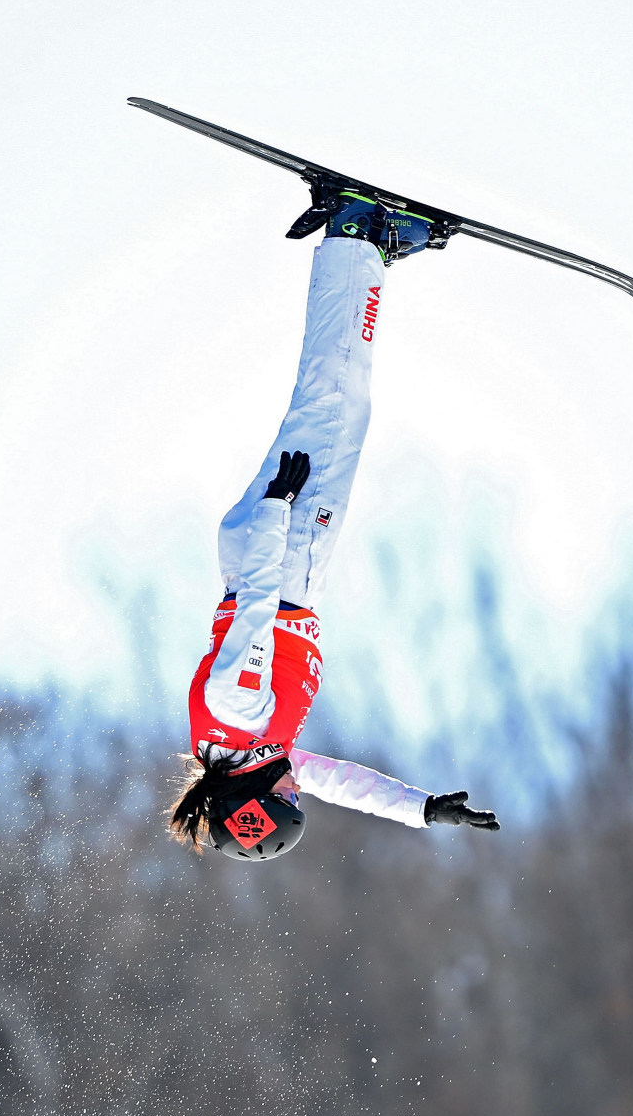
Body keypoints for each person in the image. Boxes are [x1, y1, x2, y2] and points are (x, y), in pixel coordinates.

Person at [170, 194, 500, 862]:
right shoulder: (247, 747)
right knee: (338, 406)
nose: (296, 787)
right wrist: (422, 808)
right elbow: (337, 781)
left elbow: (256, 613)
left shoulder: (238, 712)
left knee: (334, 403)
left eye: (285, 797)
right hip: (275, 555)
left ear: (253, 799)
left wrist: (275, 510)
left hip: (283, 555)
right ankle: (363, 257)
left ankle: (355, 235)